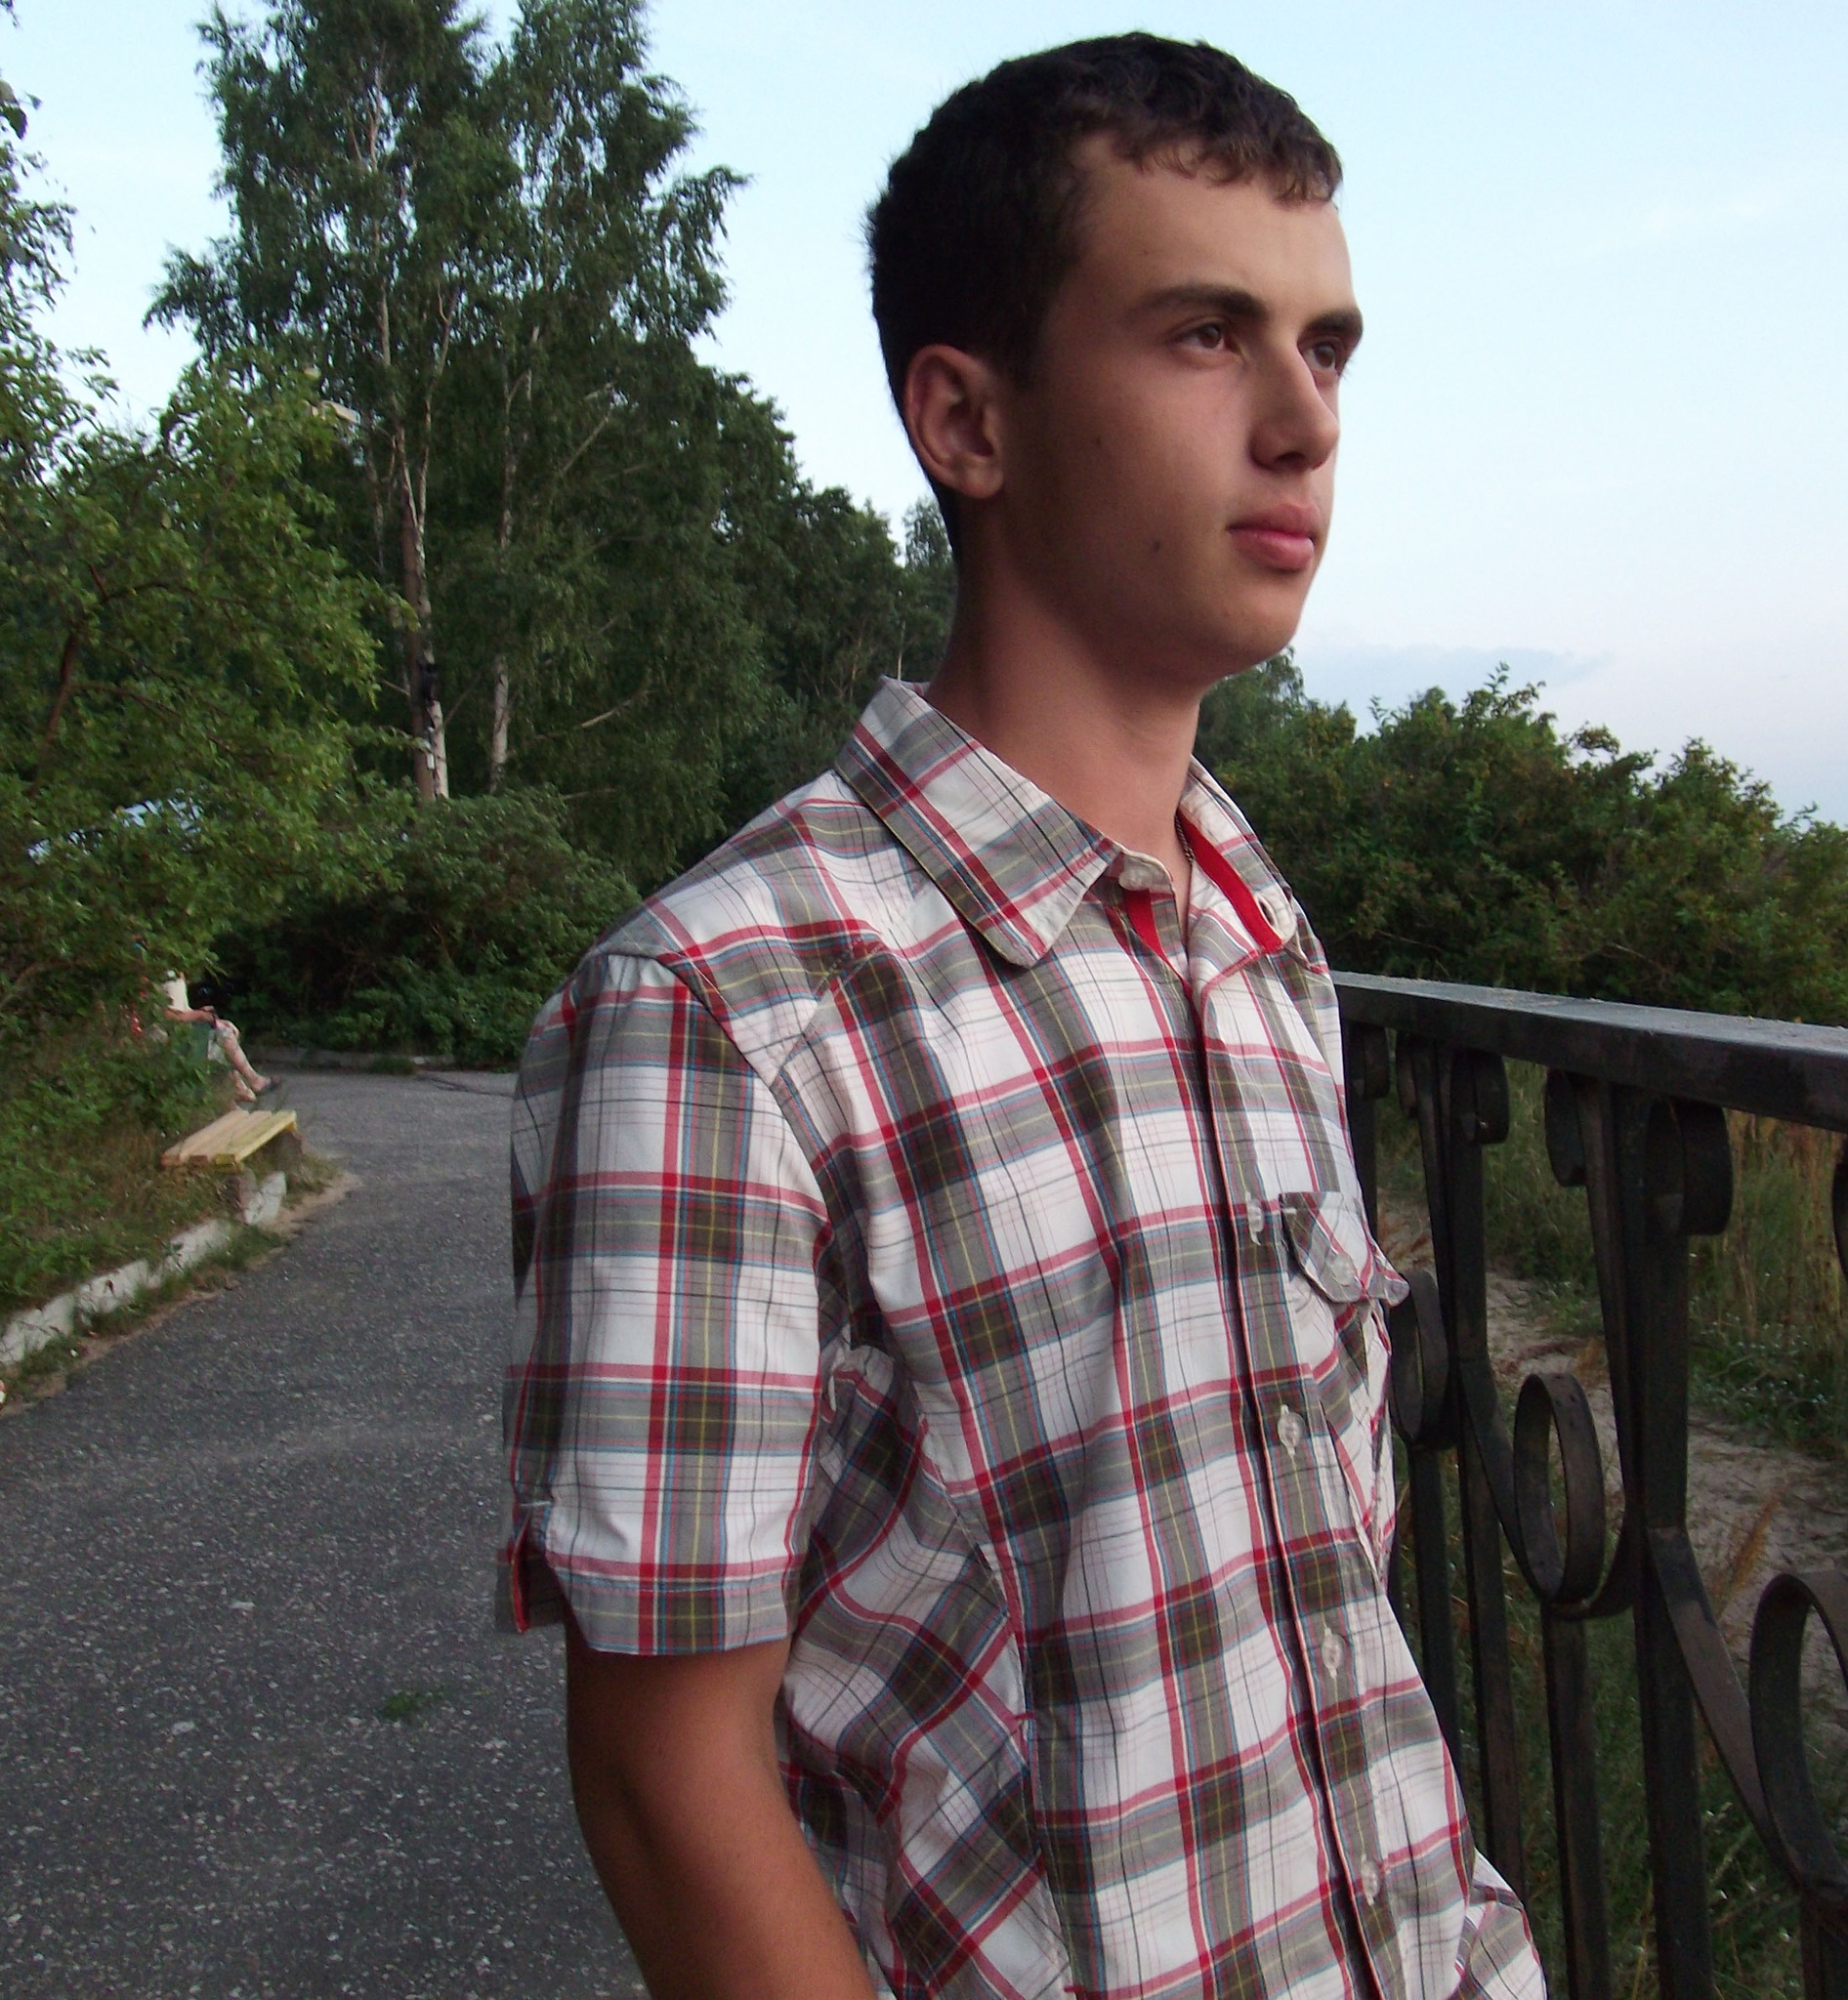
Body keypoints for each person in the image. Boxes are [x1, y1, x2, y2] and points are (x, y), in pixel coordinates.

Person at [501, 34, 1546, 2000]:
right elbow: (662, 1784)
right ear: (965, 420)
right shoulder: (722, 1015)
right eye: (1204, 336)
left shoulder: (1255, 933)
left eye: (1326, 348)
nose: (1302, 423)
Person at [158, 972, 272, 1105]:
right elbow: (170, 1015)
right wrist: (201, 1015)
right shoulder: (168, 976)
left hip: (186, 1030)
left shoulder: (176, 974)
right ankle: (242, 1085)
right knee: (221, 1037)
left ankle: (240, 1087)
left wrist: (204, 1014)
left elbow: (183, 1010)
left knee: (224, 1031)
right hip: (171, 1034)